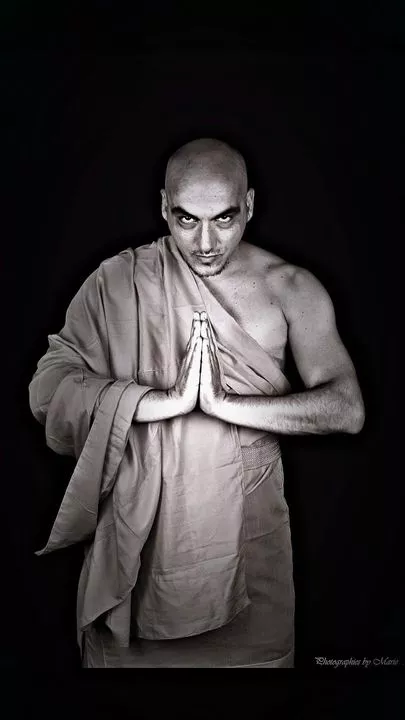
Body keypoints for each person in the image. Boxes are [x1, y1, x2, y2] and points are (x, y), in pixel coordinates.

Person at [29, 138, 365, 668]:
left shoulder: (291, 288)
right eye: (186, 220)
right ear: (165, 207)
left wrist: (223, 404)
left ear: (249, 205)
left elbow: (347, 409)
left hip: (249, 548)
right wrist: (159, 403)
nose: (205, 243)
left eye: (224, 219)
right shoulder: (118, 282)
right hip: (143, 551)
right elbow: (48, 388)